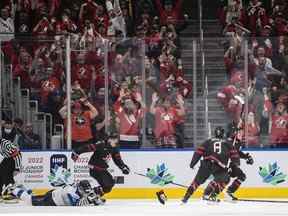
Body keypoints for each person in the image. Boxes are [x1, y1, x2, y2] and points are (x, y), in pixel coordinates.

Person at [181, 127, 240, 203]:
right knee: (225, 179)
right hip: (220, 166)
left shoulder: (208, 141)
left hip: (206, 163)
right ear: (223, 133)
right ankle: (212, 195)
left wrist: (193, 163)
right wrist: (235, 164)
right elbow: (235, 156)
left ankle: (185, 197)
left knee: (196, 182)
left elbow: (198, 152)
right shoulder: (228, 143)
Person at [71, 136, 130, 201]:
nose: (116, 142)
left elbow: (117, 159)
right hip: (94, 168)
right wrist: (77, 152)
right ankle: (90, 195)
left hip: (102, 169)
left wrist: (123, 167)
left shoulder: (115, 148)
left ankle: (93, 196)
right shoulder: (101, 144)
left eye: (117, 141)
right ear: (109, 140)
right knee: (108, 185)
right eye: (114, 140)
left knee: (109, 185)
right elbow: (88, 147)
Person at [2, 180, 101, 206]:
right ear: (80, 188)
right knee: (29, 201)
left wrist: (96, 199)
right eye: (84, 191)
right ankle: (12, 189)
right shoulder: (72, 194)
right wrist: (90, 200)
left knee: (32, 197)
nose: (86, 192)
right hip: (51, 199)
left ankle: (21, 189)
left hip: (54, 193)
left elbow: (97, 200)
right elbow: (75, 203)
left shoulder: (77, 187)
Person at [224, 122, 254, 200]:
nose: (242, 135)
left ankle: (229, 192)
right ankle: (212, 192)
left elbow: (237, 152)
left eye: (242, 133)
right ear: (235, 133)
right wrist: (233, 132)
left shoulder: (238, 142)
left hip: (233, 164)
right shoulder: (230, 140)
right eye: (240, 133)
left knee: (241, 176)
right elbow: (228, 148)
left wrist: (246, 157)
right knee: (225, 179)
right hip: (228, 164)